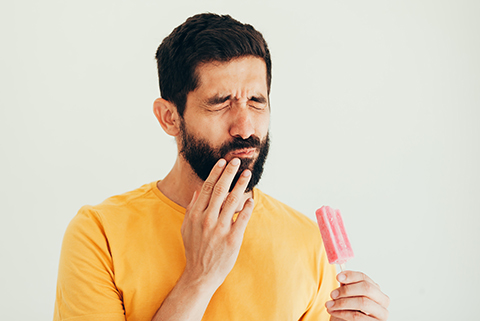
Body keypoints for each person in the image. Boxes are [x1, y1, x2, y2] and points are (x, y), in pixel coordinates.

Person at [53, 13, 389, 321]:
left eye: (256, 101)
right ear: (170, 117)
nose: (245, 127)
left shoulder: (307, 243)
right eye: (220, 103)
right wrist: (199, 279)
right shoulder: (99, 235)